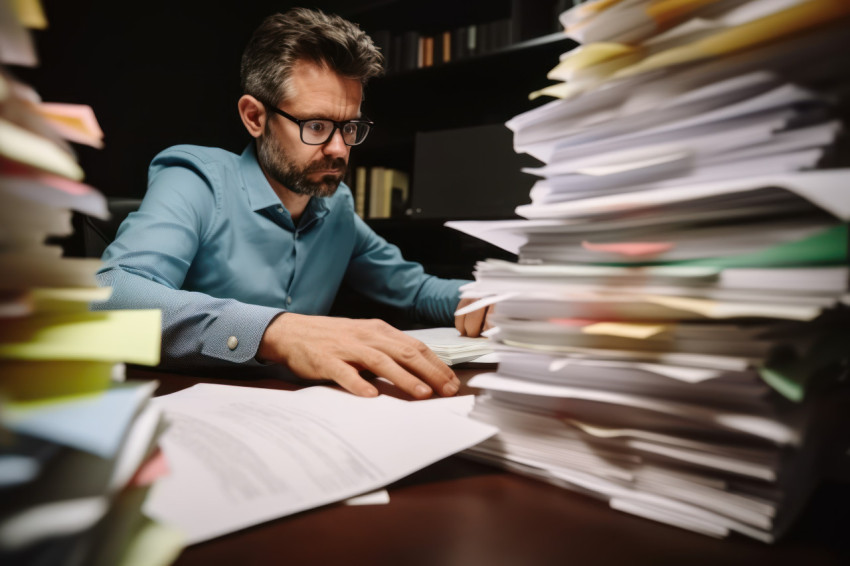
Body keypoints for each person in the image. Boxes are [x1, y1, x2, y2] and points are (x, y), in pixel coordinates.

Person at [93, 7, 491, 399]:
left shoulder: (337, 207)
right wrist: (278, 331)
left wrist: (488, 301)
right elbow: (109, 295)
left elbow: (418, 290)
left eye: (349, 126)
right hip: (195, 411)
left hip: (308, 413)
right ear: (254, 117)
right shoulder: (196, 180)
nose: (339, 149)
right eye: (316, 126)